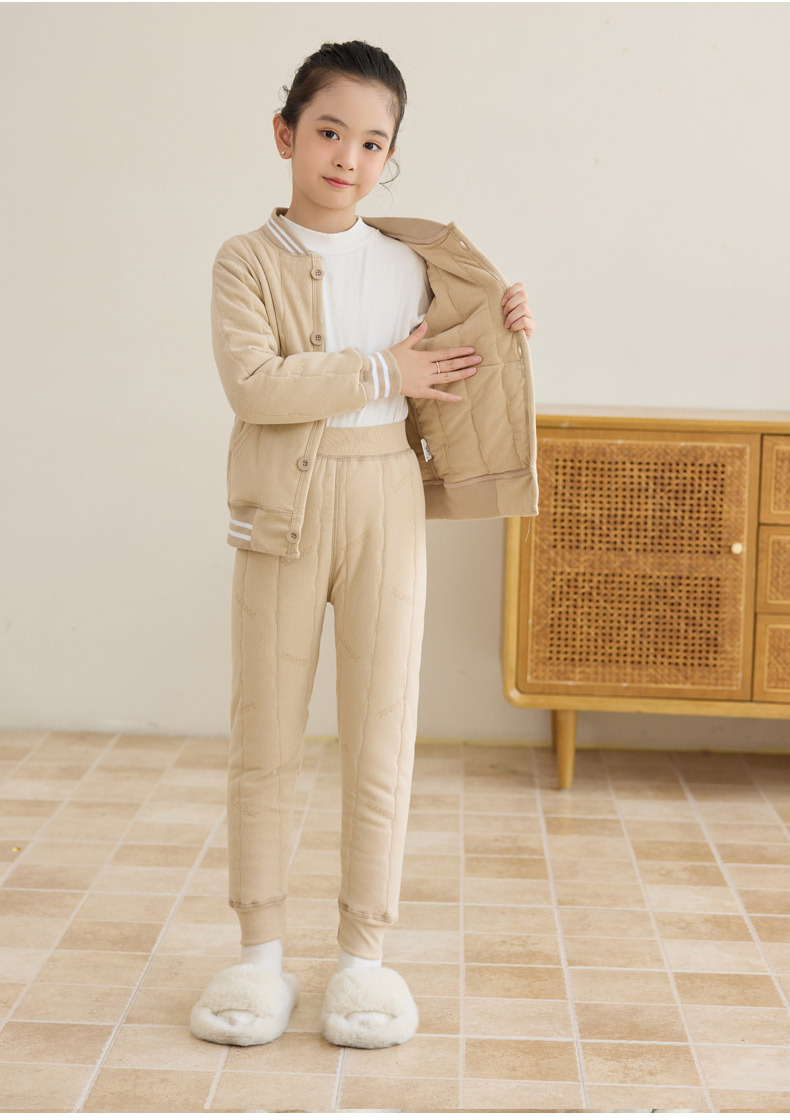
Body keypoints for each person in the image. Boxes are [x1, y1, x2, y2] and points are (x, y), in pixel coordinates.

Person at [190, 39, 537, 1051]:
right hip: (282, 509)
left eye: (373, 142)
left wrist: (508, 324)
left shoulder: (414, 262)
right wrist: (381, 370)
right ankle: (259, 956)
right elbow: (256, 385)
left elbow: (458, 373)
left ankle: (362, 959)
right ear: (285, 134)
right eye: (330, 131)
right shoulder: (245, 260)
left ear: (390, 156)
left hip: (387, 497)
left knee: (382, 734)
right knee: (265, 735)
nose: (348, 156)